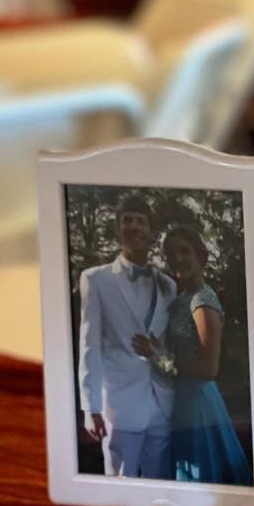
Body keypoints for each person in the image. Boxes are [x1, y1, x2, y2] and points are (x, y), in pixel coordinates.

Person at [134, 224, 252, 487]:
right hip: (179, 399)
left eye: (185, 251)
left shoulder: (202, 301)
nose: (178, 258)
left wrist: (160, 358)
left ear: (200, 255)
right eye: (170, 253)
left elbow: (209, 368)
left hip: (198, 403)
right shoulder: (182, 298)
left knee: (199, 477)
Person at [77, 194, 177, 478]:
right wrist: (91, 408)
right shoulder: (96, 279)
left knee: (161, 487)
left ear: (152, 233)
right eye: (128, 221)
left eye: (141, 221)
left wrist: (161, 358)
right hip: (119, 405)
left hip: (161, 403)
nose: (134, 227)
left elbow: (170, 344)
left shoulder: (168, 285)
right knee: (121, 487)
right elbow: (89, 345)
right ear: (117, 229)